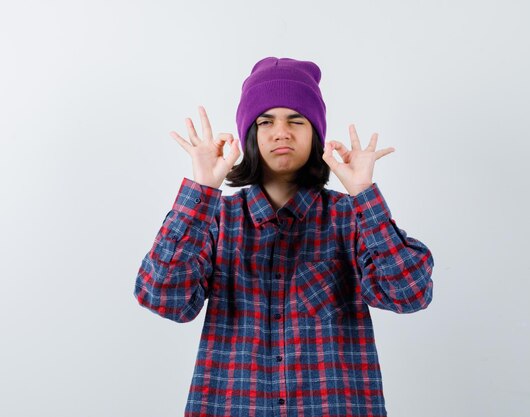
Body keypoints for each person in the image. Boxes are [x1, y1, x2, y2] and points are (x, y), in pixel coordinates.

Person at [133, 57, 434, 417]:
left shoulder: (349, 218)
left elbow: (411, 293)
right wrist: (202, 190)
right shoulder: (218, 219)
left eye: (296, 120)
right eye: (266, 121)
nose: (281, 132)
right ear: (250, 134)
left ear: (316, 134)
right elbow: (162, 297)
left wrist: (364, 194)